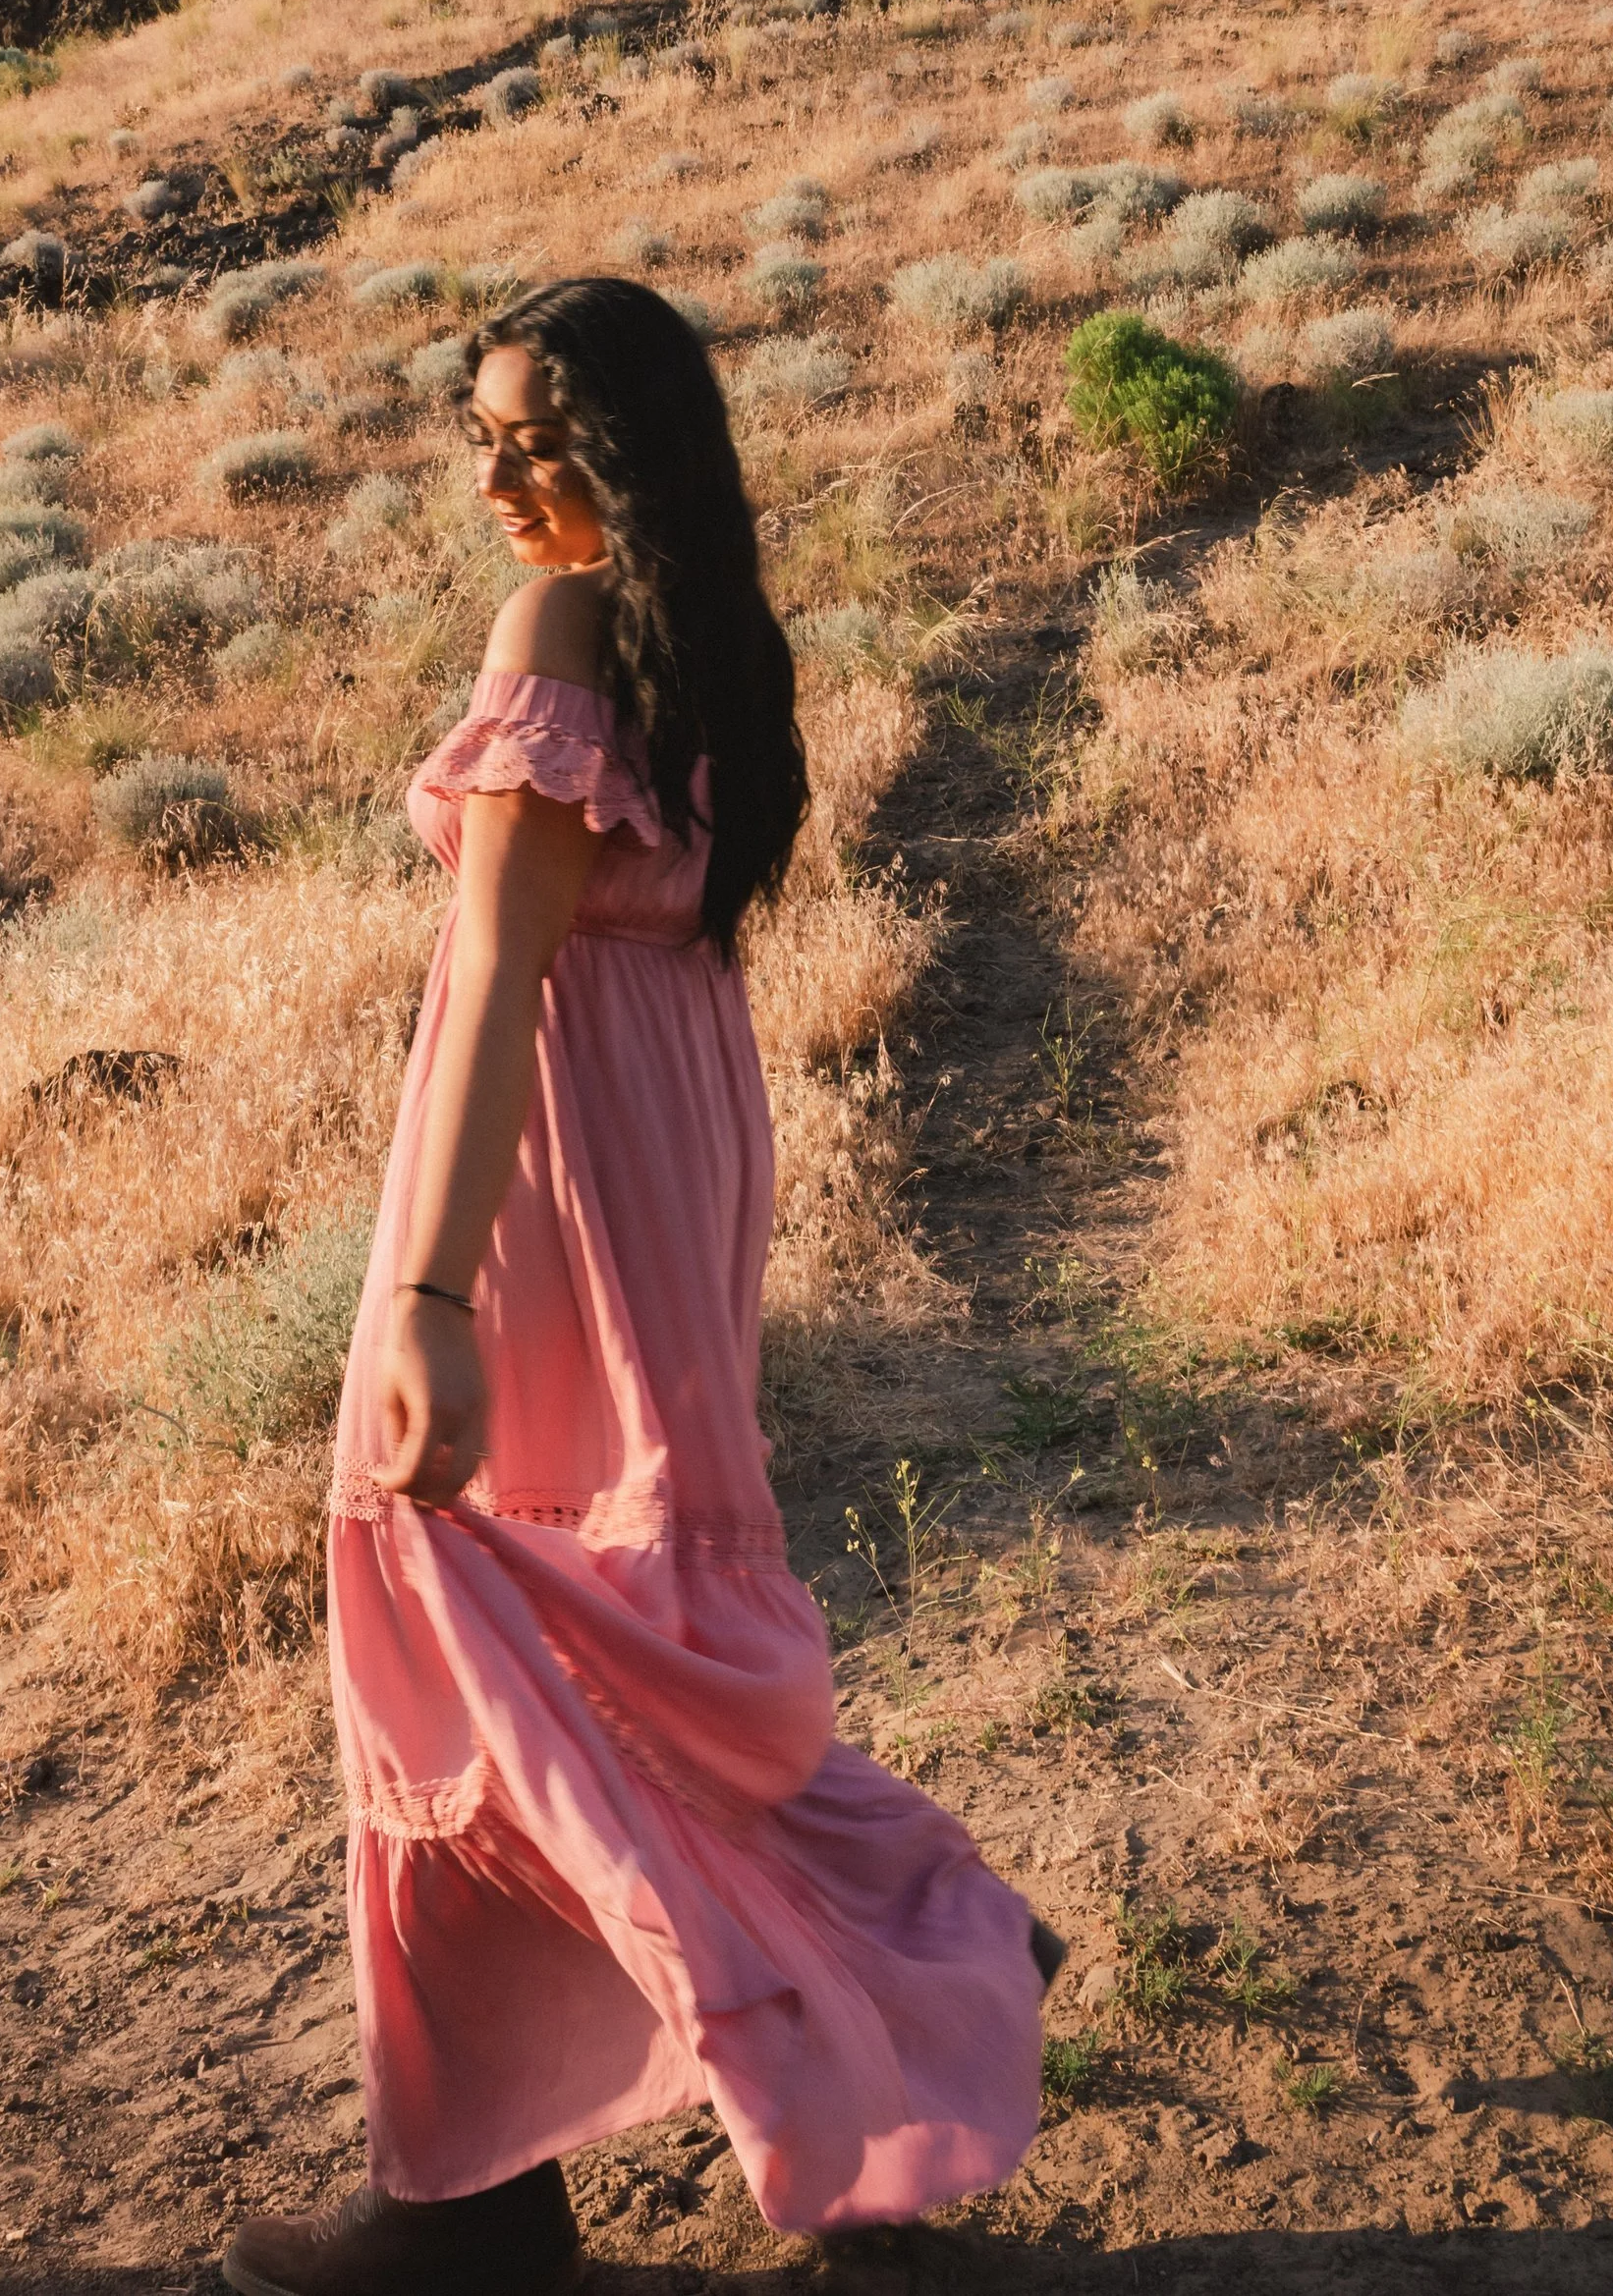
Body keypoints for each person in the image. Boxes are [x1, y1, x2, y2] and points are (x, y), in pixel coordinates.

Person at [223, 278, 1047, 2296]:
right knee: (623, 1637)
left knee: (444, 1616)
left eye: (537, 436)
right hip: (670, 1153)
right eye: (479, 436)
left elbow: (502, 972)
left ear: (629, 446)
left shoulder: (558, 634)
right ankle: (890, 1982)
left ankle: (483, 2203)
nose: (497, 476)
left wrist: (419, 1290)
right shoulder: (712, 651)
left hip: (551, 1171)